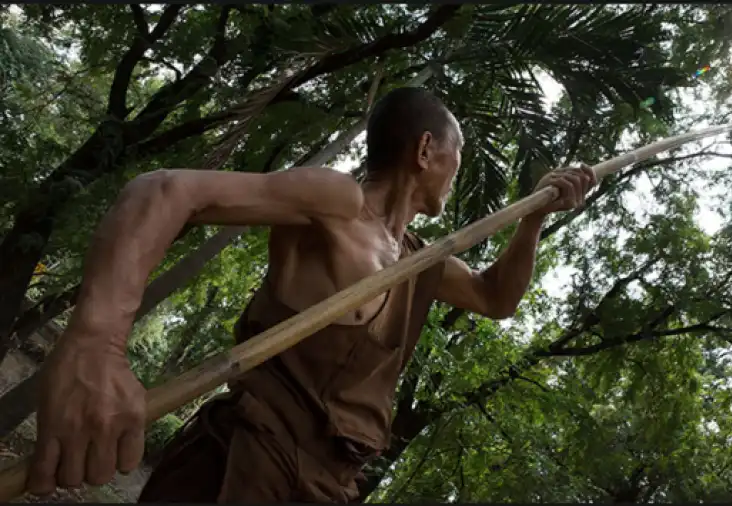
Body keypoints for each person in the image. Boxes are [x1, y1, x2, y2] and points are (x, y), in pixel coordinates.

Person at [29, 87, 596, 502]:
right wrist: (97, 343)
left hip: (327, 485)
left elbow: (495, 299)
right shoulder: (340, 203)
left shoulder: (422, 260)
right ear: (426, 150)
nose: (458, 172)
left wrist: (534, 221)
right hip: (246, 463)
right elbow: (166, 190)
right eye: (458, 155)